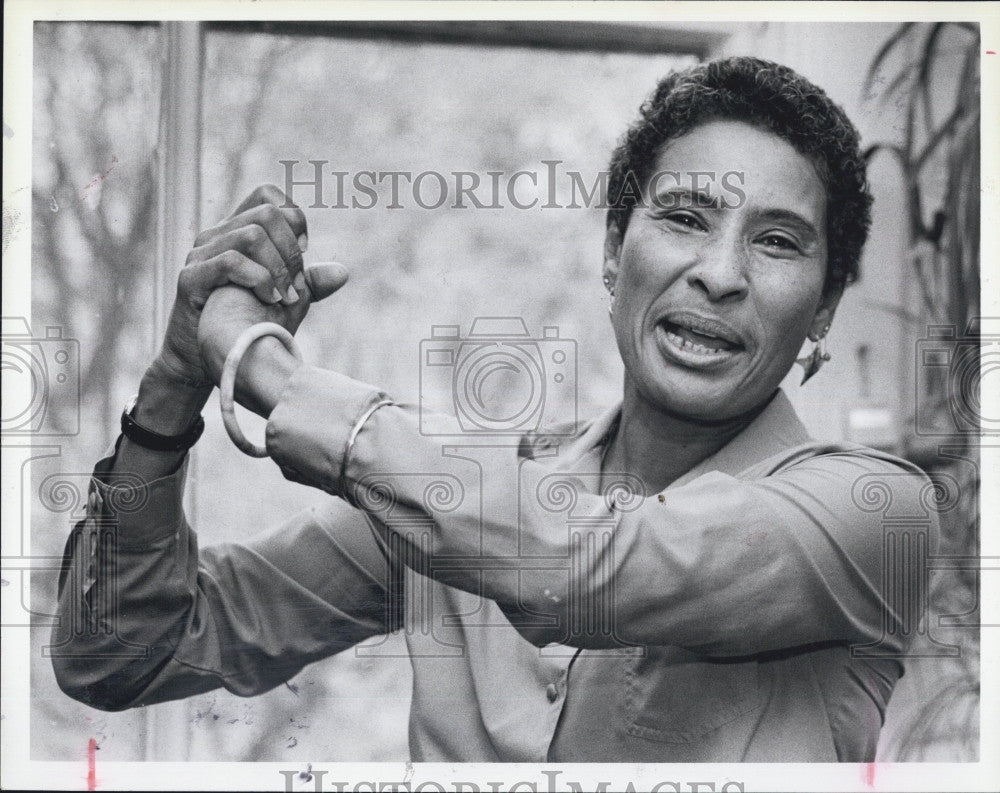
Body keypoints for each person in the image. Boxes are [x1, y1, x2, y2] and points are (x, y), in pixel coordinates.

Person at [52, 56, 933, 762]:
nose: (721, 273)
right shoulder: (458, 499)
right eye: (685, 217)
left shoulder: (870, 514)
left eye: (776, 242)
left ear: (821, 310)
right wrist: (176, 380)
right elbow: (122, 652)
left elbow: (585, 569)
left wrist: (262, 365)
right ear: (613, 251)